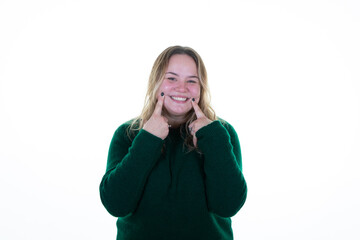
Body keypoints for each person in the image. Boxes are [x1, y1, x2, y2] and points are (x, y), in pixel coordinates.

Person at [99, 46, 247, 240]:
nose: (182, 88)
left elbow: (228, 205)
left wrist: (212, 140)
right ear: (156, 82)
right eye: (171, 78)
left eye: (192, 81)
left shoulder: (221, 133)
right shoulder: (128, 134)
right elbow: (116, 203)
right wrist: (147, 140)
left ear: (201, 88)